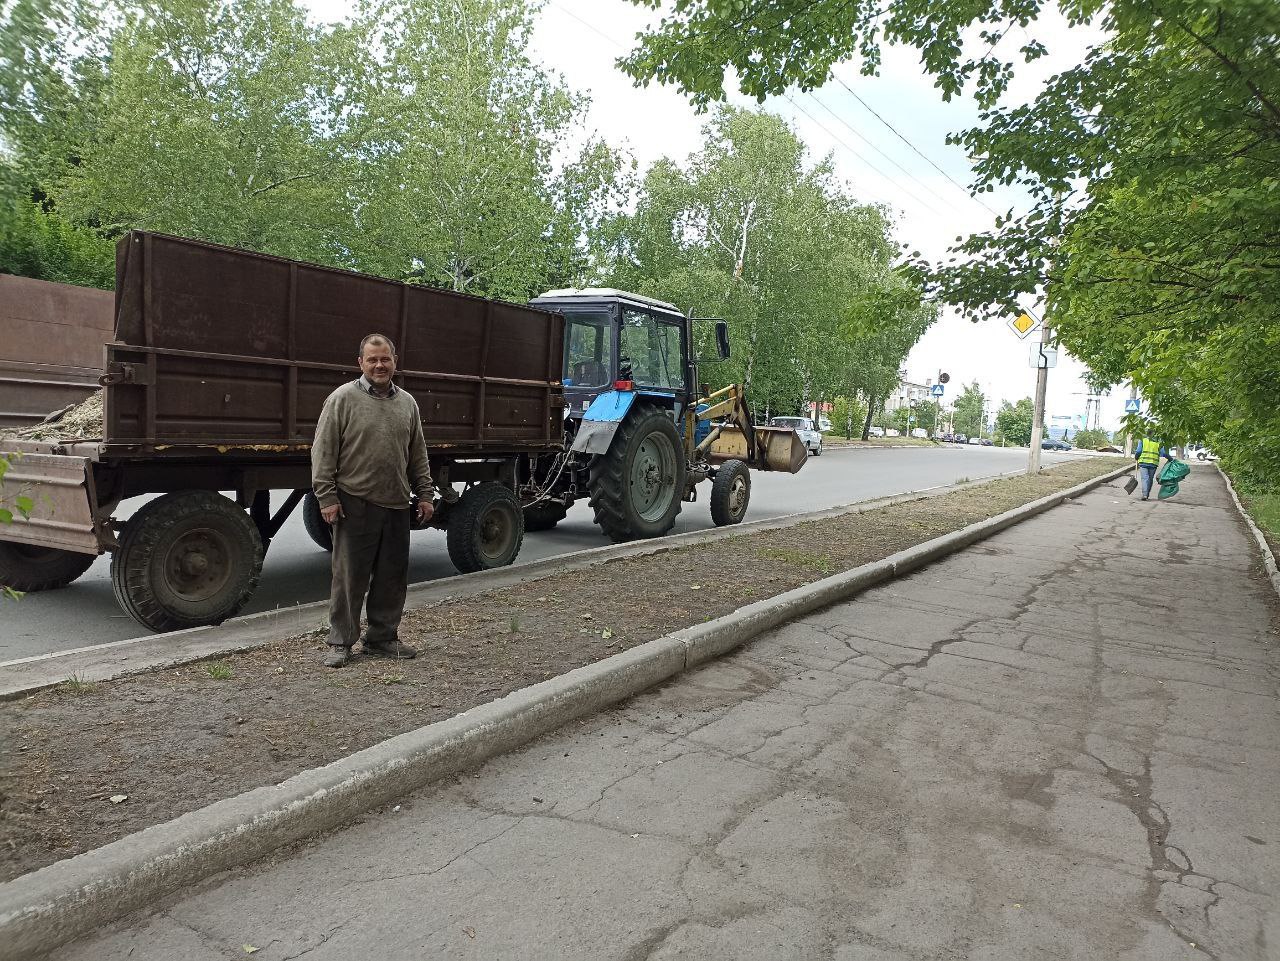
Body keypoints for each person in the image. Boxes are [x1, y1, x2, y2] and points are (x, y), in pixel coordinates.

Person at [311, 333, 435, 667]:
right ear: (360, 363)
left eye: (385, 359)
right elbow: (322, 452)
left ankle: (382, 637)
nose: (379, 365)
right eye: (372, 360)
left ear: (395, 361)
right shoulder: (342, 399)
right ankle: (341, 642)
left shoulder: (407, 403)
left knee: (392, 578)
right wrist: (327, 497)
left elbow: (417, 454)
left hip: (396, 503)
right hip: (355, 502)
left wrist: (425, 494)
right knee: (349, 578)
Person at [1133, 433, 1169, 501]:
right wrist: (1170, 459)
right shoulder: (1158, 442)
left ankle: (1145, 494)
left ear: (1147, 434)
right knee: (1150, 479)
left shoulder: (1142, 440)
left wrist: (1136, 457)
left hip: (1143, 463)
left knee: (1145, 478)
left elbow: (1138, 451)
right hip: (1153, 464)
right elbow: (1164, 453)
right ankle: (1147, 494)